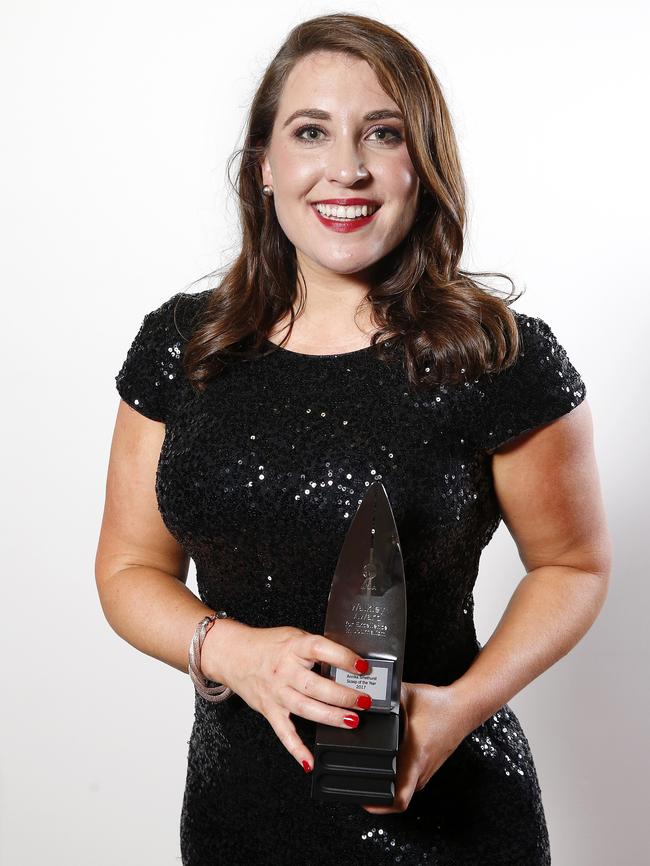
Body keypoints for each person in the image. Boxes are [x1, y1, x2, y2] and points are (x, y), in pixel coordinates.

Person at [95, 12, 612, 866]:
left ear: (423, 166)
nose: (347, 169)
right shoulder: (183, 349)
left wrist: (458, 711)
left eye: (383, 134)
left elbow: (574, 566)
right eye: (311, 132)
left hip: (445, 810)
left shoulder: (495, 356)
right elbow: (127, 571)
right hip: (237, 816)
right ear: (264, 166)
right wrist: (232, 651)